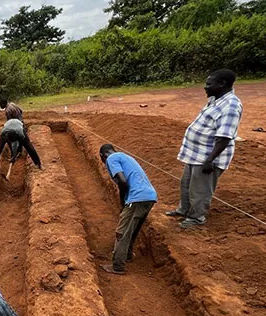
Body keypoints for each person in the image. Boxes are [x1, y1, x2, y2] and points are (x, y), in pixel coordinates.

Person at [166, 69, 243, 228]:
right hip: (196, 154)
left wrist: (210, 160)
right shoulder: (216, 99)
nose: (205, 87)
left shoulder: (230, 105)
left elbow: (224, 137)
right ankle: (184, 210)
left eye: (209, 84)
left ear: (222, 84)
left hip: (208, 157)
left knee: (200, 189)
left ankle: (196, 218)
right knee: (186, 184)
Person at [98, 144, 158, 275]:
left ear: (103, 156)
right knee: (133, 229)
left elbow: (123, 181)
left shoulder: (111, 158)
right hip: (150, 196)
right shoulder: (126, 157)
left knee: (122, 232)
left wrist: (123, 201)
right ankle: (127, 255)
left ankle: (117, 266)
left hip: (136, 198)